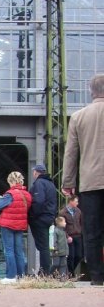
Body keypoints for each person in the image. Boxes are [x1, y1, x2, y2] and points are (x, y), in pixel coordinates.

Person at [62, 73, 104, 286]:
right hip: (91, 182)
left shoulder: (78, 117)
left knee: (92, 231)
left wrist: (68, 183)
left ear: (91, 92)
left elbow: (71, 153)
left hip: (90, 182)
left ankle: (97, 277)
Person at [0, 171, 32, 283]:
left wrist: (2, 198)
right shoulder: (27, 195)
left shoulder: (10, 194)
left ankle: (11, 276)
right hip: (20, 225)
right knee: (19, 251)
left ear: (11, 181)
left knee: (9, 250)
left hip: (7, 225)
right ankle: (21, 276)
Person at [27, 163, 57, 275]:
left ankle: (45, 272)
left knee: (43, 246)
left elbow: (38, 201)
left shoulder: (39, 183)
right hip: (48, 217)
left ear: (36, 172)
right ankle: (44, 270)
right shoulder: (51, 184)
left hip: (40, 218)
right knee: (44, 246)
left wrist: (32, 215)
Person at [58, 195, 83, 276]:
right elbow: (61, 226)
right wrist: (67, 236)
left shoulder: (78, 211)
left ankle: (70, 271)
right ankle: (70, 274)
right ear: (70, 201)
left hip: (78, 235)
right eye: (76, 201)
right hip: (70, 236)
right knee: (71, 256)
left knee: (79, 255)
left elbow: (81, 222)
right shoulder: (63, 212)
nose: (77, 203)